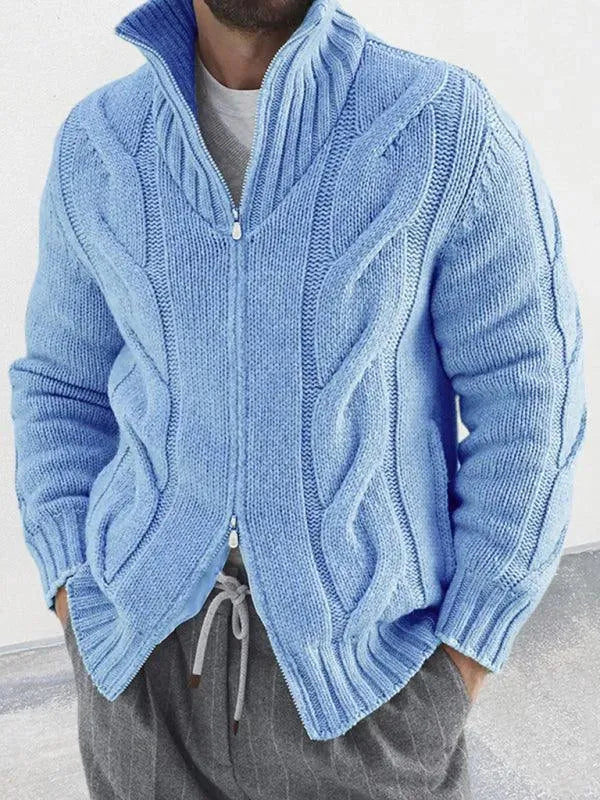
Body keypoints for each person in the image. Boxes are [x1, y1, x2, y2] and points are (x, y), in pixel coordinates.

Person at [8, 0, 587, 797]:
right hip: (138, 670)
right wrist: (72, 588)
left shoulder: (442, 123)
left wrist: (465, 654)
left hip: (367, 685)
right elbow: (61, 386)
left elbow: (531, 400)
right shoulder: (99, 141)